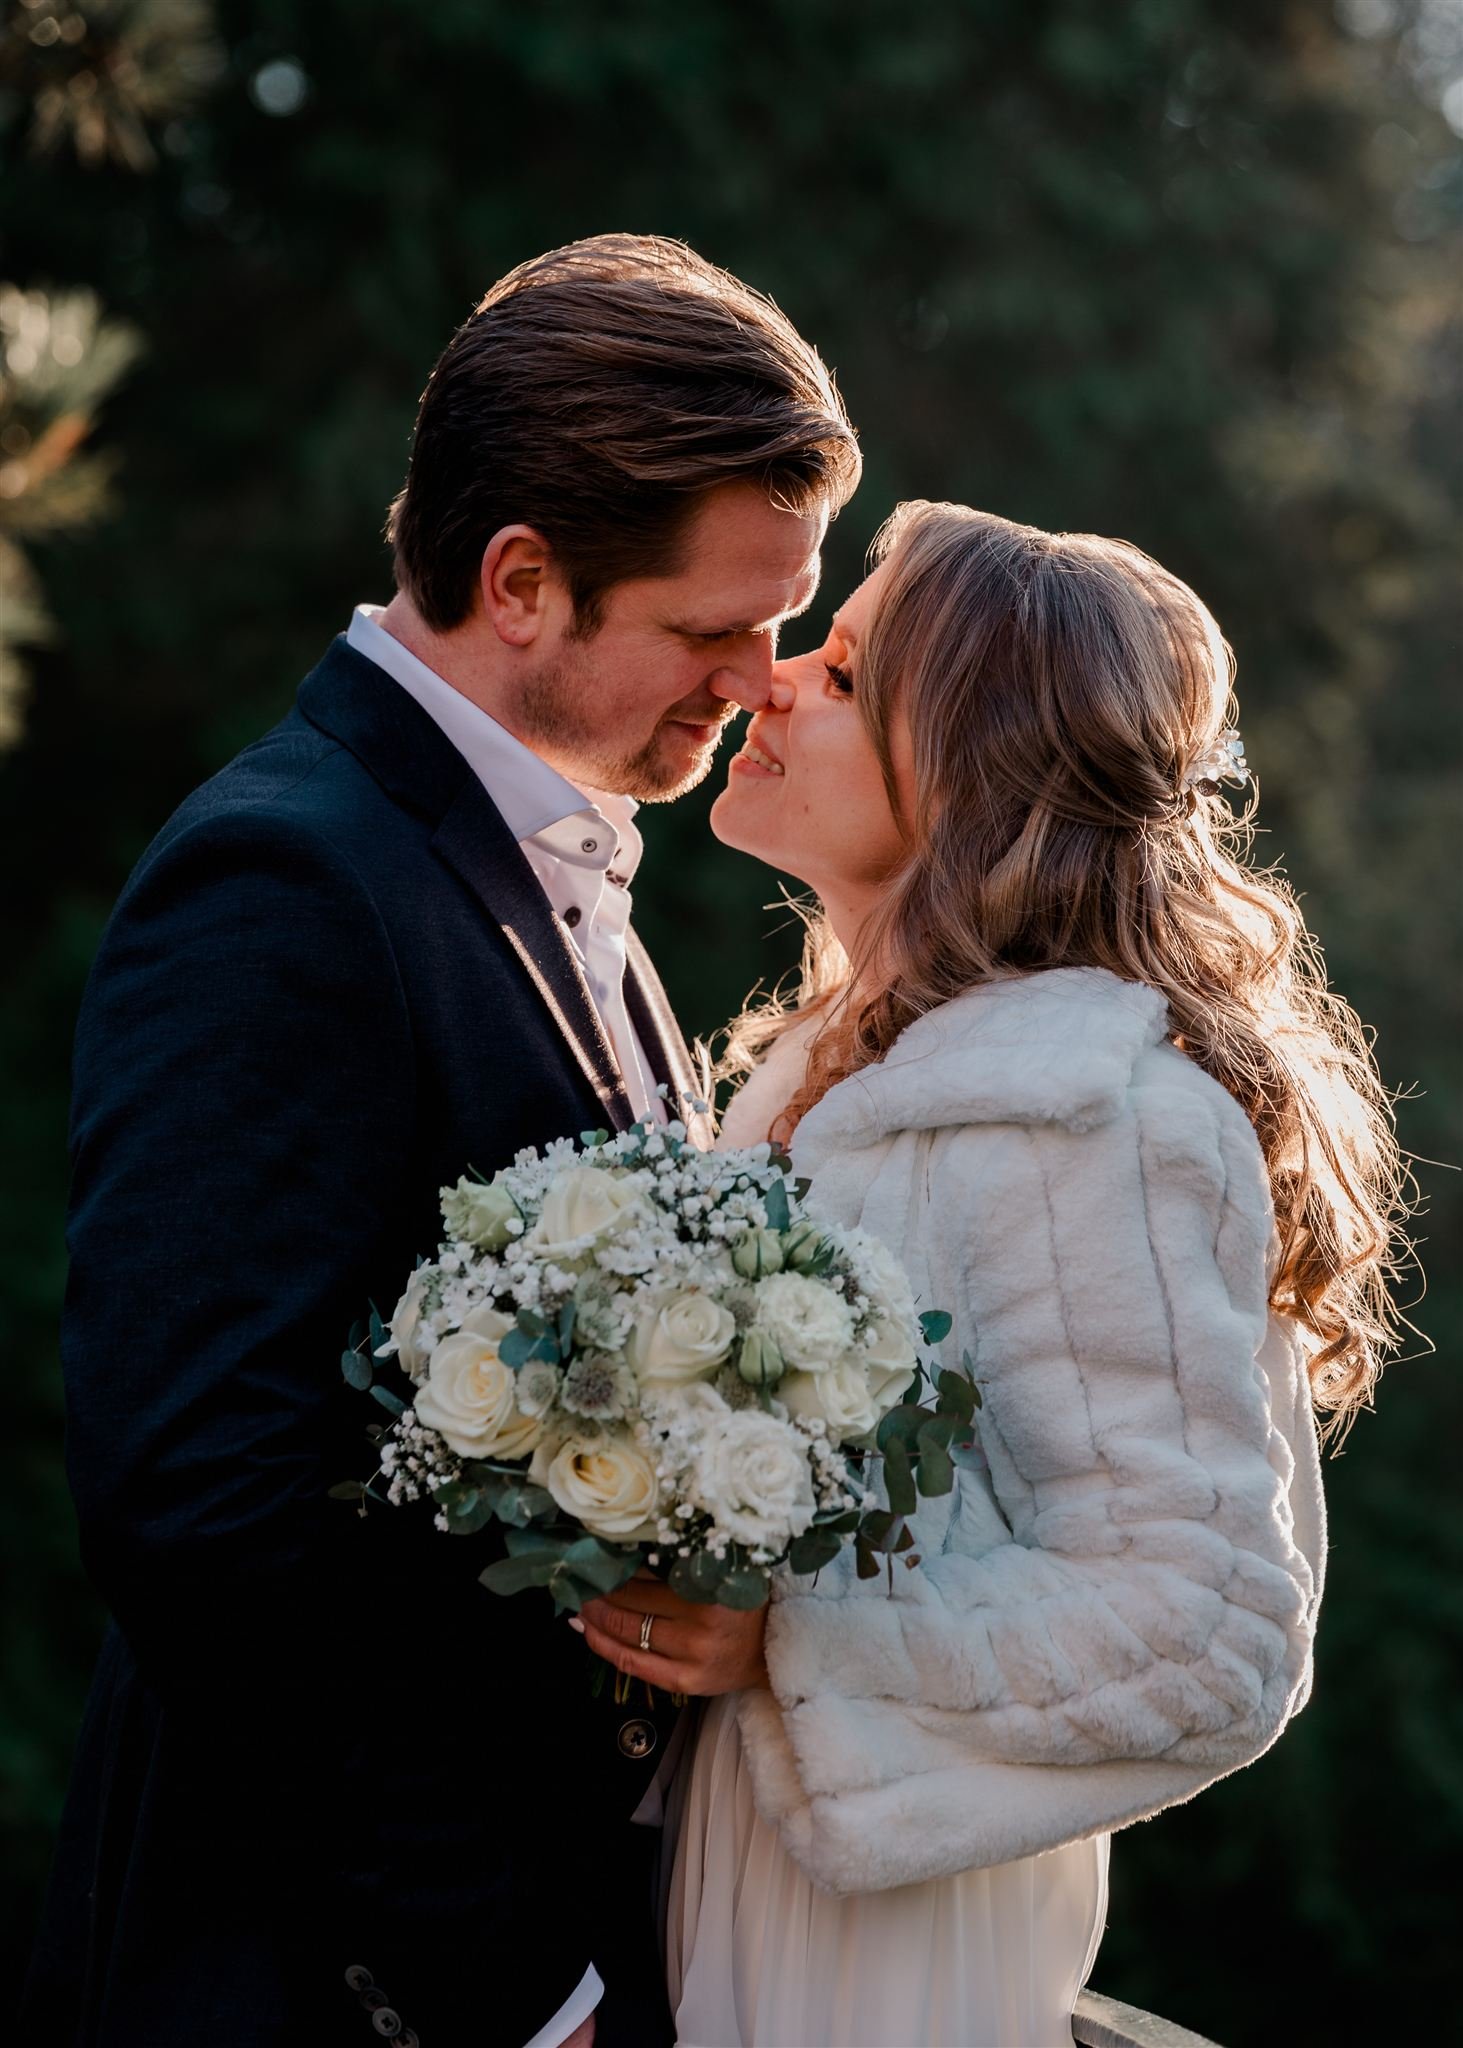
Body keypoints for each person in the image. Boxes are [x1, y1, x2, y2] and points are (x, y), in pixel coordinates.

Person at [20, 233, 859, 2048]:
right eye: (717, 628)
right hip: (329, 1983)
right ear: (523, 579)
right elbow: (200, 1510)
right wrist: (516, 1994)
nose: (765, 678)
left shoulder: (563, 876)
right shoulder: (287, 882)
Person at [574, 502, 1406, 2047]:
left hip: (885, 1949)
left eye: (840, 673)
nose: (768, 682)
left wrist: (794, 1641)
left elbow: (1204, 1635)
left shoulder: (1096, 1111)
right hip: (727, 1870)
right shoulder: (824, 1080)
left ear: (968, 761)